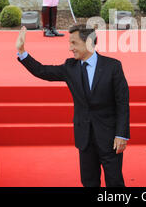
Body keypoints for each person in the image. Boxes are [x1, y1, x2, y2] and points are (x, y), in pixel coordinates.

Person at [16, 24, 130, 187]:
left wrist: (122, 134)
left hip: (110, 138)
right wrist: (22, 52)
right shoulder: (70, 67)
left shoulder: (113, 66)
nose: (70, 48)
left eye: (74, 43)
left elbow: (122, 103)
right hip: (84, 137)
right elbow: (43, 71)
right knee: (88, 182)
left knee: (115, 182)